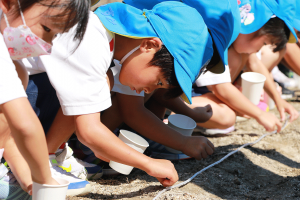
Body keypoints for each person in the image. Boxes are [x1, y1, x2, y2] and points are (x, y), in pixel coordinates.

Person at [17, 1, 214, 189]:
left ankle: (50, 153)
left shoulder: (115, 47)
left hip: (28, 98)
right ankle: (32, 159)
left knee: (97, 86)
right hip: (16, 103)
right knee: (94, 88)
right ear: (149, 45)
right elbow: (89, 132)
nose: (149, 91)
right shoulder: (91, 41)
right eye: (158, 82)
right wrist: (149, 164)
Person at [0, 0, 90, 198]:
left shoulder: (16, 69)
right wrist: (44, 180)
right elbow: (25, 126)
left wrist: (30, 179)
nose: (47, 45)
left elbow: (7, 139)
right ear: (7, 3)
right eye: (46, 28)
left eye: (54, 36)